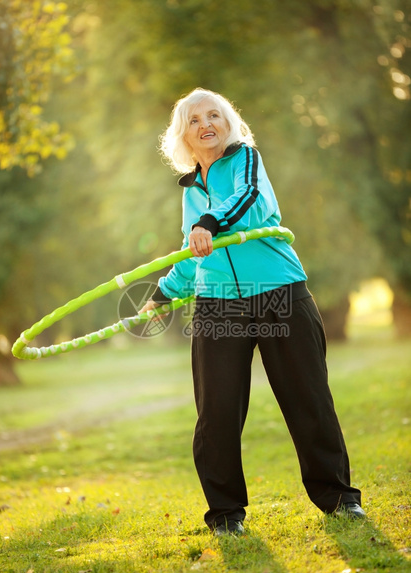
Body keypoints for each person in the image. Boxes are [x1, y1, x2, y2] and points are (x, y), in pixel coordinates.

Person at [140, 87, 365, 535]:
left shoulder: (246, 160)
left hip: (276, 291)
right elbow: (195, 252)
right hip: (217, 304)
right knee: (217, 412)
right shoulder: (189, 194)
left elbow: (243, 201)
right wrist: (164, 294)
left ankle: (339, 499)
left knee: (308, 400)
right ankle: (225, 515)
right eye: (194, 119)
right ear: (181, 134)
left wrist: (209, 223)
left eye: (215, 115)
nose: (206, 124)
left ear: (229, 123)